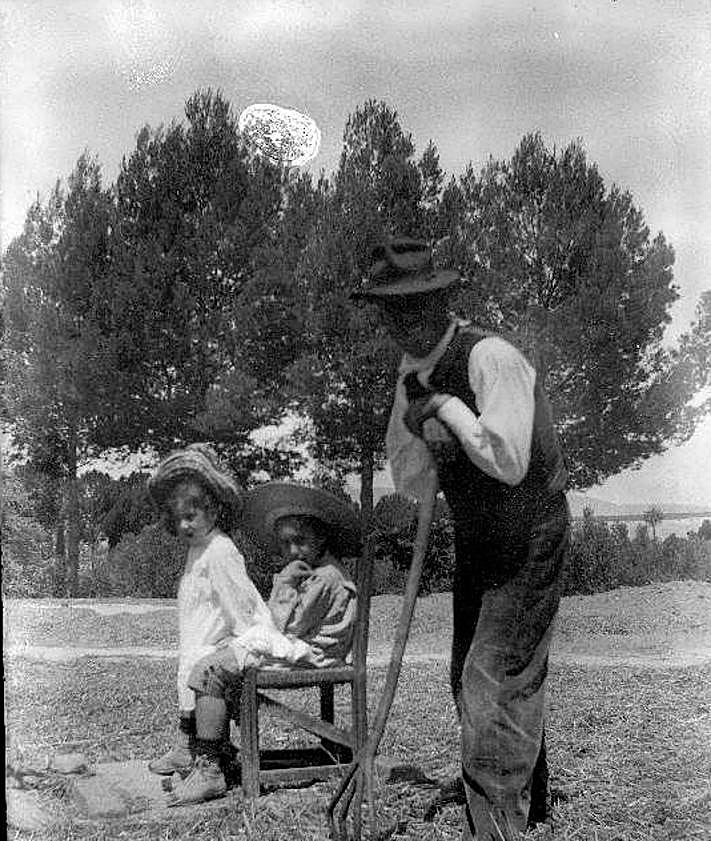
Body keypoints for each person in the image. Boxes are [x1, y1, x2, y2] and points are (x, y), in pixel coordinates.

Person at [352, 238, 569, 841]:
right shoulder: (412, 374)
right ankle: (527, 792)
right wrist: (425, 445)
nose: (405, 323)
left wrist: (446, 409)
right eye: (392, 312)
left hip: (530, 531)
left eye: (417, 307)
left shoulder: (490, 358)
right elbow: (412, 472)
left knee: (494, 676)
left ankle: (497, 822)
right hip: (480, 532)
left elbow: (507, 460)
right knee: (469, 673)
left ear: (443, 302)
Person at [167, 481, 361, 806]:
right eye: (285, 544)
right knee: (217, 659)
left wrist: (284, 582)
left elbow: (281, 625)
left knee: (209, 672)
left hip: (310, 655)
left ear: (322, 538)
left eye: (301, 541)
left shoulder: (324, 579)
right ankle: (215, 754)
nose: (293, 551)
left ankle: (211, 768)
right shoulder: (318, 573)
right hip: (302, 649)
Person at [147, 443, 276, 779]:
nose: (184, 526)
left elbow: (243, 607)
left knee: (202, 675)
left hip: (226, 643)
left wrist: (235, 648)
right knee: (188, 674)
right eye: (177, 519)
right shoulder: (199, 549)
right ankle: (186, 747)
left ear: (214, 511)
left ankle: (209, 760)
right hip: (200, 642)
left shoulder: (220, 551)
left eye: (191, 517)